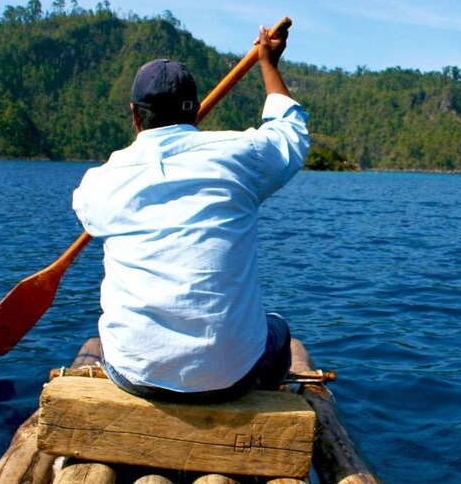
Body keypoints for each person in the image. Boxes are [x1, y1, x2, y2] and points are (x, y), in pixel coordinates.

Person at [71, 26, 309, 403]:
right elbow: (292, 132)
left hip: (134, 374)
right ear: (197, 111)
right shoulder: (242, 155)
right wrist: (268, 63)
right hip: (232, 376)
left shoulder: (100, 182)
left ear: (134, 115)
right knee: (278, 331)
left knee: (105, 338)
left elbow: (88, 213)